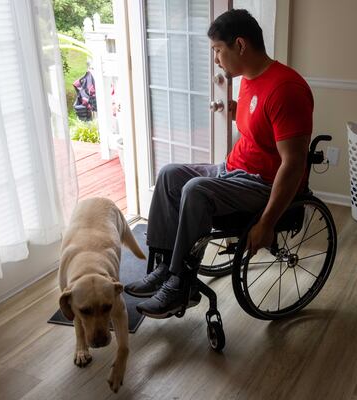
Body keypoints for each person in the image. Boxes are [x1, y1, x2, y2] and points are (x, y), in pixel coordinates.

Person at [124, 9, 314, 319]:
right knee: (170, 174)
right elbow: (261, 121)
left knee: (197, 190)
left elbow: (293, 164)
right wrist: (233, 107)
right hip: (233, 170)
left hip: (261, 183)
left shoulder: (286, 90)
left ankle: (182, 286)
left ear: (240, 45)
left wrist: (266, 223)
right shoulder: (251, 78)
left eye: (217, 50)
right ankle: (164, 266)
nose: (215, 59)